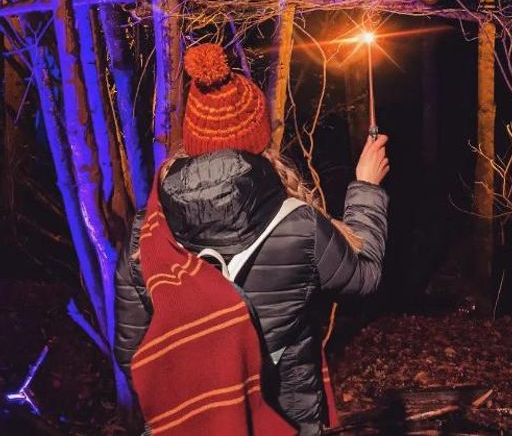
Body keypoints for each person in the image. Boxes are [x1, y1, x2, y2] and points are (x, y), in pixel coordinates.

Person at [114, 43, 391, 435]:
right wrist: (366, 188)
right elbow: (365, 276)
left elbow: (133, 354)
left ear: (191, 139)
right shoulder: (298, 224)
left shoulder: (149, 232)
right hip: (285, 421)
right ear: (259, 139)